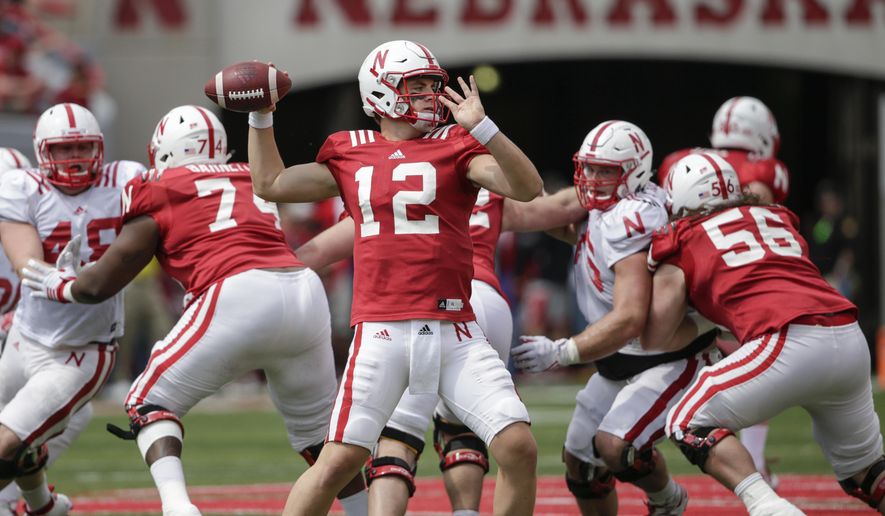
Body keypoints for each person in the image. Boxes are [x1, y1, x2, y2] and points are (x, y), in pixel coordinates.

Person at [21, 105, 369, 516]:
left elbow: (102, 283)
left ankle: (177, 507)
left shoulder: (159, 184)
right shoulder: (251, 174)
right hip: (302, 292)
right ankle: (368, 511)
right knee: (319, 439)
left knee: (148, 402)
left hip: (235, 291)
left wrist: (59, 284)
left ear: (164, 151)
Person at [245, 40, 542, 516]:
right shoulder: (349, 150)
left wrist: (484, 129)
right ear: (381, 93)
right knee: (338, 461)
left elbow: (528, 188)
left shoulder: (457, 145)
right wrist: (261, 117)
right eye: (416, 84)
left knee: (518, 447)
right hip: (381, 330)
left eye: (431, 84)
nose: (430, 93)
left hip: (456, 331)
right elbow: (271, 184)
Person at [295, 185, 585, 516]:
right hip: (485, 301)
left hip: (416, 304)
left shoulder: (380, 179)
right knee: (467, 427)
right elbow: (561, 211)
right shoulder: (480, 181)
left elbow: (319, 249)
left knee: (395, 439)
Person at [643, 151, 885, 516]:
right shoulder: (776, 217)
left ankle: (769, 507)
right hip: (848, 337)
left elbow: (659, 333)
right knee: (865, 474)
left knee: (686, 420)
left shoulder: (683, 235)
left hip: (789, 340)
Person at [512, 120, 715, 516]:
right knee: (582, 466)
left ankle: (667, 501)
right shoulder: (609, 208)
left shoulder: (634, 216)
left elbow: (629, 319)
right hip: (624, 360)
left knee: (615, 447)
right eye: (588, 167)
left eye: (605, 170)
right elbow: (548, 213)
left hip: (665, 357)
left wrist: (563, 351)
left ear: (635, 171)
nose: (592, 178)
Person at [0, 103, 144, 516]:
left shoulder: (127, 179)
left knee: (8, 441)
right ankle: (44, 507)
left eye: (81, 146)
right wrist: (60, 281)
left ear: (100, 147)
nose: (74, 157)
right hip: (26, 337)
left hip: (82, 349)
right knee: (18, 438)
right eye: (62, 150)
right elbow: (23, 259)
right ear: (42, 152)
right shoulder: (22, 187)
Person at [658, 96, 790, 486]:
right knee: (759, 358)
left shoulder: (677, 159)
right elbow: (759, 226)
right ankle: (755, 462)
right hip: (735, 284)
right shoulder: (766, 170)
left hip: (680, 274)